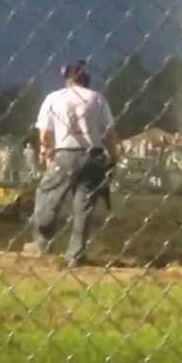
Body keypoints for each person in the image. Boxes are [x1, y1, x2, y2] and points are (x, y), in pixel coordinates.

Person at [26, 60, 120, 267]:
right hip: (94, 157)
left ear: (68, 79)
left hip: (65, 154)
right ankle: (75, 255)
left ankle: (42, 240)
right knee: (83, 205)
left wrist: (46, 151)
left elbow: (45, 132)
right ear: (86, 79)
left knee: (47, 194)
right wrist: (114, 157)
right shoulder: (97, 98)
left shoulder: (54, 98)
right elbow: (109, 132)